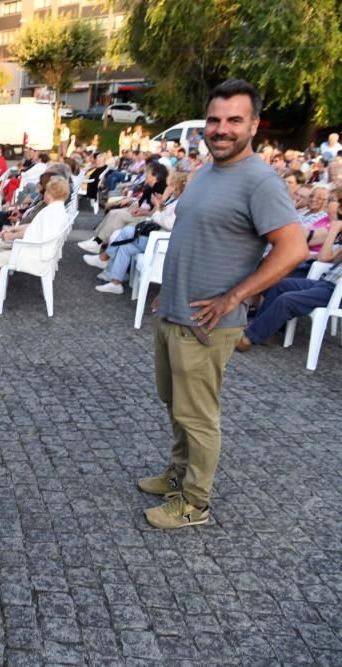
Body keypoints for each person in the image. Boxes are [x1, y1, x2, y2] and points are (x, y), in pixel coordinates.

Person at [141, 79, 308, 530]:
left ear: (253, 124)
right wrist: (167, 288)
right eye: (214, 119)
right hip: (177, 310)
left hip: (208, 322)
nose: (221, 129)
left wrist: (234, 297)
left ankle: (195, 502)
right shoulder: (207, 172)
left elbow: (293, 250)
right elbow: (193, 237)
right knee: (174, 403)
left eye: (234, 120)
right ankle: (178, 473)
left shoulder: (260, 181)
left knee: (198, 415)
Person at [0, 176, 72, 310]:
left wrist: (10, 236)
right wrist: (13, 229)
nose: (43, 193)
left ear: (51, 194)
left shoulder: (51, 212)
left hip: (33, 254)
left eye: (46, 191)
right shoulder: (57, 210)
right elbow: (34, 227)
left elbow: (31, 234)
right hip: (37, 251)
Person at [238, 216, 342, 351]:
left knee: (287, 300)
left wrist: (333, 231)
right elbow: (325, 257)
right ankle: (264, 331)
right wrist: (334, 233)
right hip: (326, 282)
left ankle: (250, 337)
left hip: (337, 293)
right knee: (278, 285)